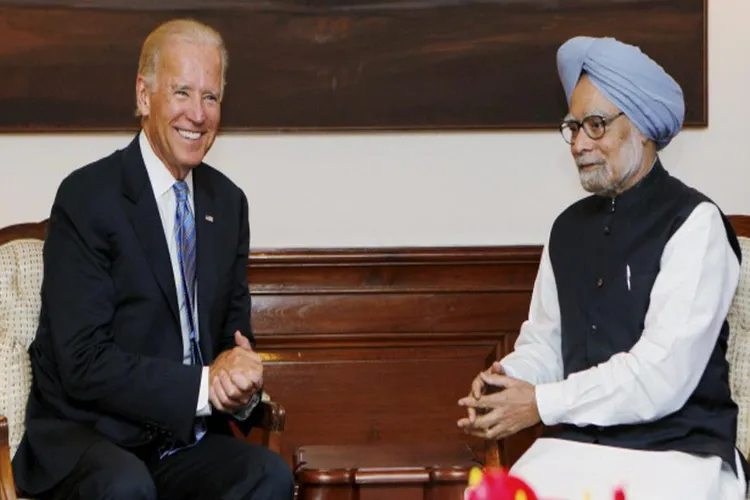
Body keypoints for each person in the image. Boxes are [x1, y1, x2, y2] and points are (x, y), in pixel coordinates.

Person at [11, 18, 294, 500]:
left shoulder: (227, 205)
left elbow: (231, 340)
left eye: (211, 97)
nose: (198, 115)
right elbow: (83, 363)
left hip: (182, 441)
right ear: (143, 96)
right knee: (126, 487)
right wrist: (205, 385)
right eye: (182, 92)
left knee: (269, 476)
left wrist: (240, 376)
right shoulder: (88, 197)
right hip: (91, 438)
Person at [458, 36, 748, 499]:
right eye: (573, 127)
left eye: (596, 125)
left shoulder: (696, 224)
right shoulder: (566, 230)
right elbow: (546, 346)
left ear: (643, 128)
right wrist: (506, 384)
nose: (578, 143)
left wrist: (540, 403)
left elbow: (661, 377)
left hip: (677, 453)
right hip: (573, 445)